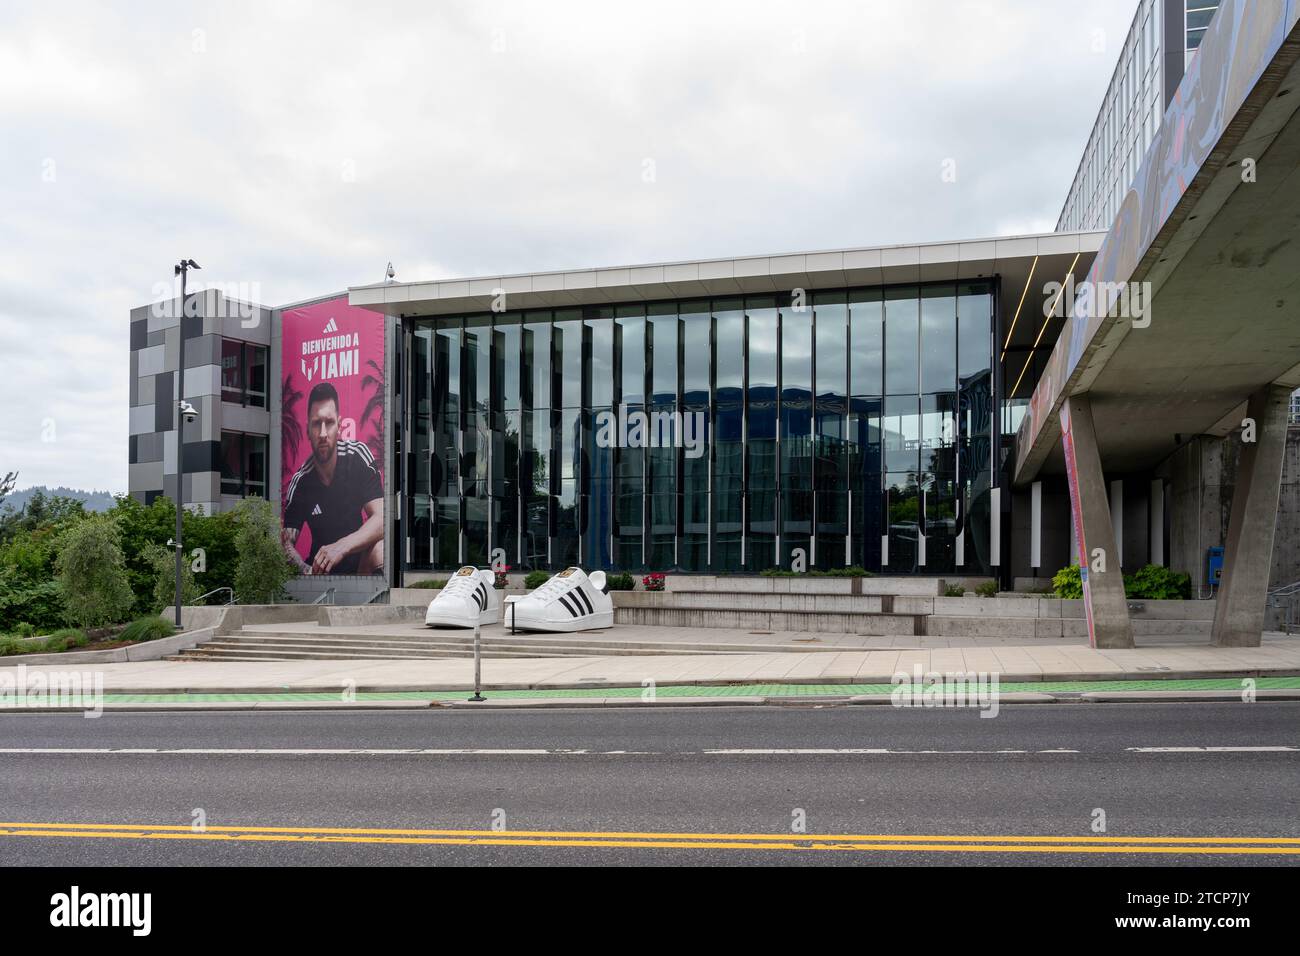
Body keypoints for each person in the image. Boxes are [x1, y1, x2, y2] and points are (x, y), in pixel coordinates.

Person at [282, 381, 384, 575]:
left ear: (339, 424)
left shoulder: (357, 457)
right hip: (320, 573)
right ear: (307, 429)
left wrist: (340, 547)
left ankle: (377, 603)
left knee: (382, 548)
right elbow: (286, 546)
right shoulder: (301, 481)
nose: (322, 433)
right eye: (316, 424)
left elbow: (382, 518)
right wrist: (307, 570)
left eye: (328, 423)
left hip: (360, 567)